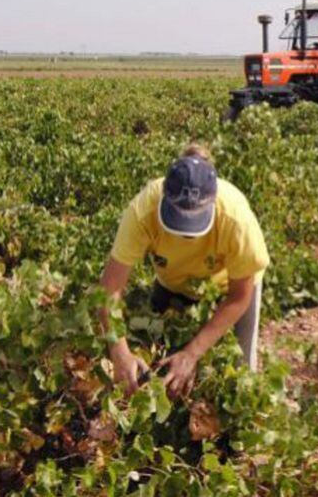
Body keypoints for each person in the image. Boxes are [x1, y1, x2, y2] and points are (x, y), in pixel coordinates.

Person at [98, 144, 270, 398]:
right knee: (157, 359)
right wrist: (119, 351)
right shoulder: (143, 210)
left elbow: (239, 296)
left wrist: (193, 353)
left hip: (227, 289)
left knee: (241, 371)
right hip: (173, 281)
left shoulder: (236, 220)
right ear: (164, 196)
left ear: (212, 203)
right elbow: (109, 289)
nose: (186, 235)